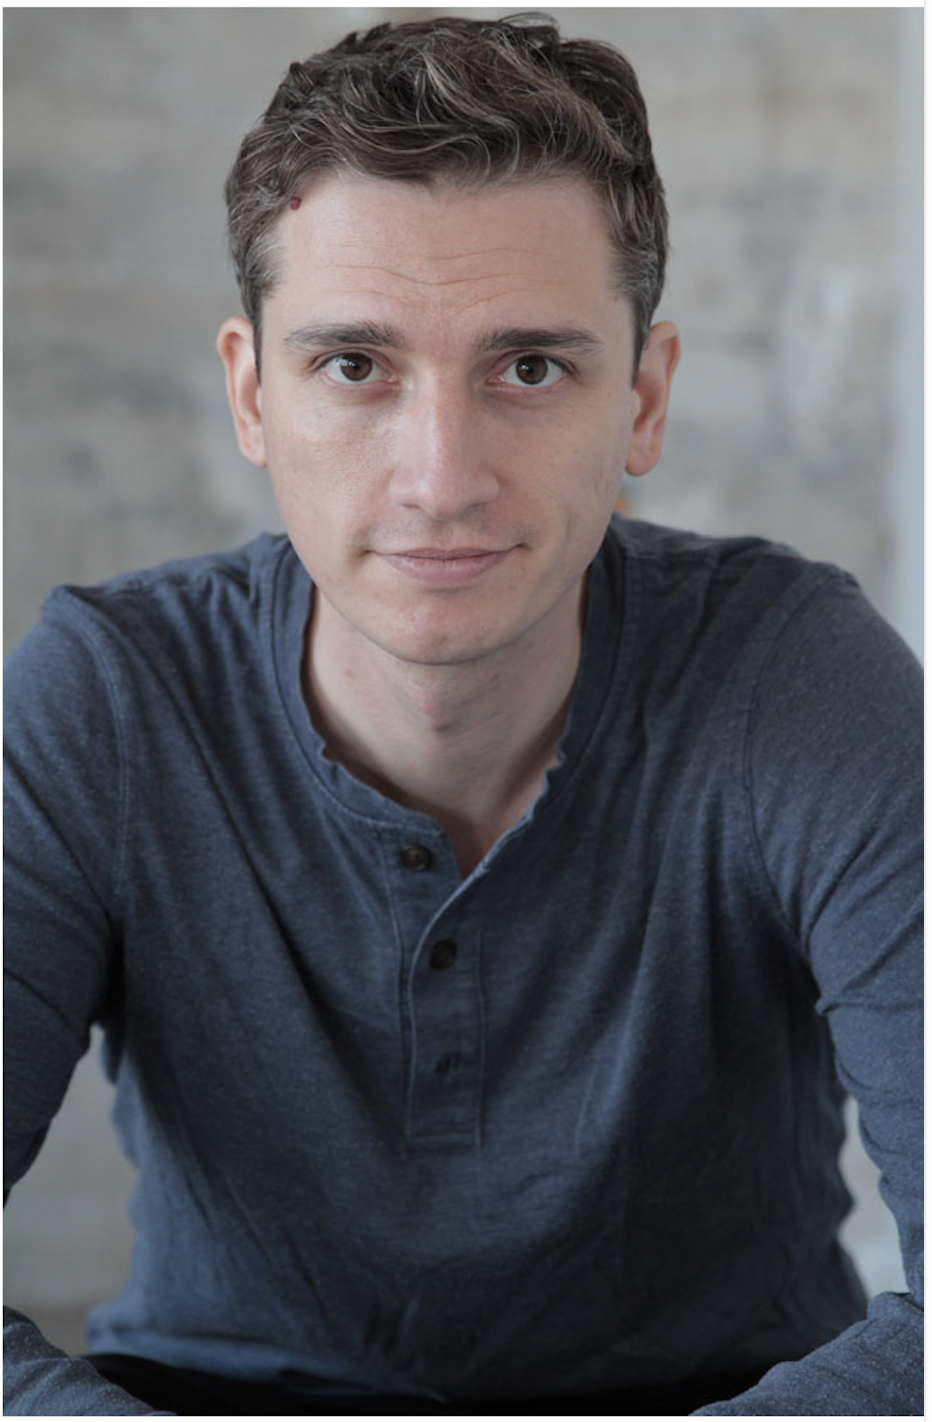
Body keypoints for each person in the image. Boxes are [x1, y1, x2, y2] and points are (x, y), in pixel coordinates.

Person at [3, 13, 921, 1417]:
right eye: (355, 367)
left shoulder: (798, 680)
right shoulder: (108, 697)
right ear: (253, 391)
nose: (441, 477)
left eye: (531, 367)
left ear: (644, 398)